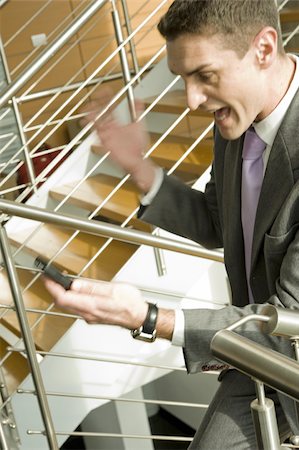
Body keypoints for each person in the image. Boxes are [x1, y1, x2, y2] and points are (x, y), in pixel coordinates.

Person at [44, 0, 299, 448]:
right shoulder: (237, 121)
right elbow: (221, 223)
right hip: (254, 350)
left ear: (263, 48)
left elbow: (288, 319)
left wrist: (146, 318)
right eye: (184, 78)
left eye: (205, 75)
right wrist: (138, 167)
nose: (193, 100)